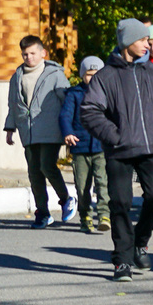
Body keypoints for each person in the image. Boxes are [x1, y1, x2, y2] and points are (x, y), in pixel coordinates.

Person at [77, 21, 153, 279]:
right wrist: (115, 136)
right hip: (119, 150)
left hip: (150, 148)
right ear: (127, 42)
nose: (148, 45)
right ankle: (122, 260)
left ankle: (140, 243)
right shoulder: (106, 76)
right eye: (143, 40)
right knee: (120, 203)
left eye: (149, 41)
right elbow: (89, 111)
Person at [3, 35, 73, 228]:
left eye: (33, 53)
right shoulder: (17, 76)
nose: (29, 57)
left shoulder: (55, 74)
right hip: (28, 132)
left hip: (50, 129)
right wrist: (10, 128)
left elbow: (67, 101)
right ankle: (42, 212)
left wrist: (70, 127)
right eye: (25, 54)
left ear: (43, 53)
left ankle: (66, 199)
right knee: (34, 172)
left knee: (46, 165)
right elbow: (13, 105)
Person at [60, 56, 107, 235]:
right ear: (82, 75)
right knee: (82, 185)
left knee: (103, 182)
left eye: (96, 74)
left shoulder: (107, 93)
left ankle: (104, 215)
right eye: (88, 74)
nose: (92, 78)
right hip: (80, 147)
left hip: (102, 147)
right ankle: (85, 216)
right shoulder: (74, 94)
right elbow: (65, 116)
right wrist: (68, 132)